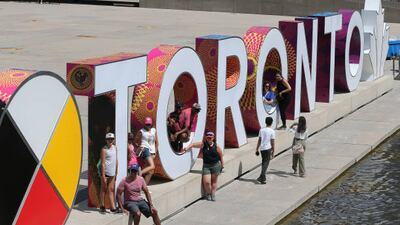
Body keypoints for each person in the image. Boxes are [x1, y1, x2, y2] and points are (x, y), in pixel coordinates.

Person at [183, 131, 224, 201]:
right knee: (207, 182)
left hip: (216, 165)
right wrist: (187, 148)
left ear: (213, 138)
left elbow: (221, 156)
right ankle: (208, 193)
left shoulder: (216, 146)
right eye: (208, 137)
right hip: (206, 166)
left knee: (214, 182)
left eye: (211, 137)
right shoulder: (203, 144)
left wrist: (222, 166)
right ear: (206, 138)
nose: (209, 138)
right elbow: (193, 144)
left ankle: (213, 194)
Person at [99, 133, 120, 213]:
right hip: (106, 172)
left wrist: (116, 171)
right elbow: (103, 163)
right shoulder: (104, 149)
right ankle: (102, 205)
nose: (110, 140)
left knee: (111, 189)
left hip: (113, 173)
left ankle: (112, 207)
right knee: (103, 189)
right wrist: (103, 175)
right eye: (108, 139)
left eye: (112, 139)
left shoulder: (115, 148)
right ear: (106, 140)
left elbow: (116, 160)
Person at [135, 117, 158, 184]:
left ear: (151, 124)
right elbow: (135, 141)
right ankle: (139, 173)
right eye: (146, 124)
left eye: (149, 124)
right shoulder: (141, 131)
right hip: (145, 149)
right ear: (144, 124)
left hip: (152, 152)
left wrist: (155, 152)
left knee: (151, 171)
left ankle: (143, 187)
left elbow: (157, 142)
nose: (148, 125)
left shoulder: (154, 130)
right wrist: (140, 147)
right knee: (152, 166)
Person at [255, 117, 275, 184]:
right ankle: (263, 178)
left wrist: (257, 148)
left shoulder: (261, 130)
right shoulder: (272, 131)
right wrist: (273, 150)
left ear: (265, 122)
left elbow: (259, 140)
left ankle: (261, 177)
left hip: (262, 149)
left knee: (264, 162)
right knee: (266, 163)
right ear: (271, 123)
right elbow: (272, 142)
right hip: (268, 148)